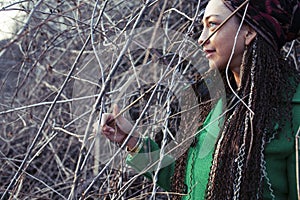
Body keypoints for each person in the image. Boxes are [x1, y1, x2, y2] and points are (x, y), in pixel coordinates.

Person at [98, 0, 300, 199]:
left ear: (248, 32)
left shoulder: (294, 113)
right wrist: (131, 141)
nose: (202, 38)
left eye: (212, 24)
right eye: (202, 26)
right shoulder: (215, 101)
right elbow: (188, 184)